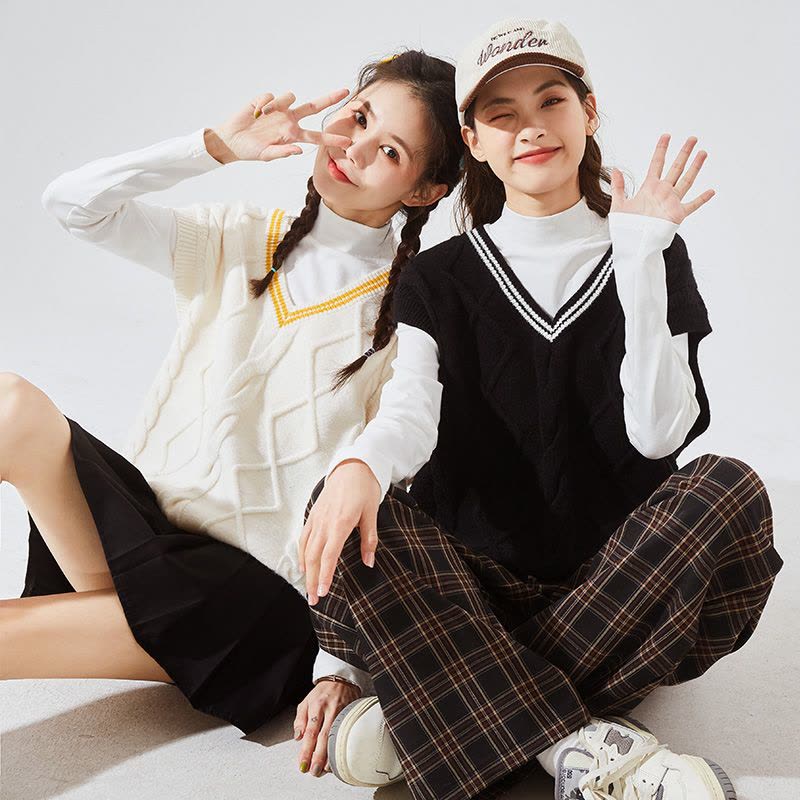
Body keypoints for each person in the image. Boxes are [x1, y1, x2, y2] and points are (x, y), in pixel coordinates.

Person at [296, 18, 784, 800]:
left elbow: (658, 435)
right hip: (472, 591)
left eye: (550, 100)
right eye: (502, 114)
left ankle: (439, 709)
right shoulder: (437, 278)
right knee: (344, 492)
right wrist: (361, 464)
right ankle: (581, 749)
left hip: (616, 589)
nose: (530, 127)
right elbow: (411, 414)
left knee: (729, 487)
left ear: (588, 112)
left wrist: (640, 258)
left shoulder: (650, 249)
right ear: (473, 142)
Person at [1, 49, 463, 750]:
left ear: (424, 191)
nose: (355, 147)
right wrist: (214, 147)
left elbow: (390, 491)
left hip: (245, 603)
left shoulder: (413, 314)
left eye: (390, 151)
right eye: (360, 116)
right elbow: (72, 204)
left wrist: (339, 665)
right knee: (12, 405)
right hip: (145, 539)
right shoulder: (236, 235)